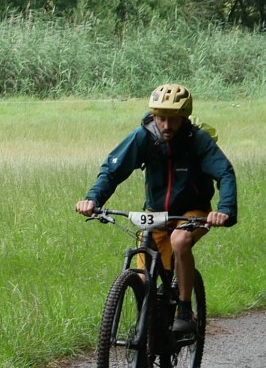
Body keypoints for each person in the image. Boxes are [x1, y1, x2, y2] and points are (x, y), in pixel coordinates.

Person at [74, 84, 236, 336]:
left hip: (192, 211)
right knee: (142, 276)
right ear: (153, 115)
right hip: (156, 213)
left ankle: (184, 310)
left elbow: (224, 173)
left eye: (173, 119)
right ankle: (146, 327)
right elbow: (112, 171)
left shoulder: (197, 140)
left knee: (180, 240)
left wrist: (224, 210)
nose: (166, 125)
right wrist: (92, 200)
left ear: (184, 118)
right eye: (161, 118)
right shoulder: (144, 137)